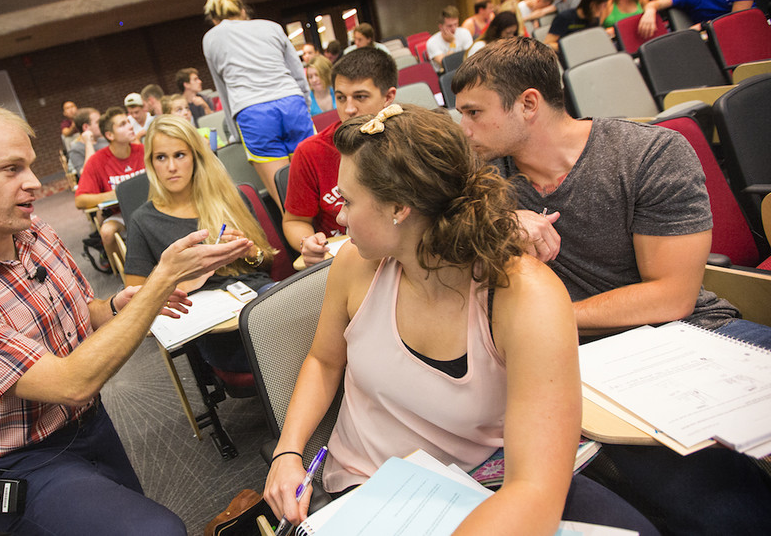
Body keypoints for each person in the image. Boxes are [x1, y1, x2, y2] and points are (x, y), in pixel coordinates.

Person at [264, 104, 658, 535]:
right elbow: (324, 361)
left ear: (400, 207)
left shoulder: (524, 296)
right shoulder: (355, 265)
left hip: (484, 481)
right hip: (368, 492)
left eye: (350, 201)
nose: (339, 217)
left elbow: (533, 488)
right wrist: (288, 451)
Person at [452, 36, 771, 534]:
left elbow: (671, 296)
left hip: (695, 334)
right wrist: (501, 222)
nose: (464, 129)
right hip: (590, 377)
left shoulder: (647, 154)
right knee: (728, 515)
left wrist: (546, 321)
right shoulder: (481, 186)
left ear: (529, 104)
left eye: (474, 112)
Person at [0, 101, 251, 534]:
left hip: (90, 425)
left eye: (30, 167)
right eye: (11, 170)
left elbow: (85, 312)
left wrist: (122, 305)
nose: (34, 184)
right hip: (20, 461)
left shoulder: (31, 230)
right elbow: (70, 384)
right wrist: (160, 281)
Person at [123, 115, 275, 372]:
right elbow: (134, 301)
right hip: (210, 321)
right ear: (151, 164)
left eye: (180, 155)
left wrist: (250, 252)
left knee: (304, 317)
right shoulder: (143, 221)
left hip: (256, 296)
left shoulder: (230, 197)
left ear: (195, 157)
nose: (171, 167)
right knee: (283, 343)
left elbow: (266, 262)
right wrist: (186, 279)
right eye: (161, 157)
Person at [283, 47, 396, 268]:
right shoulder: (311, 152)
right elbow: (295, 221)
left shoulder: (409, 140)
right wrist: (308, 242)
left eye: (361, 97)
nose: (349, 109)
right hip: (343, 260)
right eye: (341, 98)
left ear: (388, 97)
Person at [203, 0, 314, 209]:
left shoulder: (210, 39)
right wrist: (305, 107)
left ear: (214, 18)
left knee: (287, 201)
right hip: (292, 104)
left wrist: (235, 133)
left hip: (253, 112)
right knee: (316, 184)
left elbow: (223, 92)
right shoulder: (271, 27)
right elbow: (298, 73)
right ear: (243, 11)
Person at [75, 106, 146, 270]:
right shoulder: (97, 161)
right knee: (107, 233)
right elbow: (80, 200)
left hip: (149, 208)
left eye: (129, 122)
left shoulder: (143, 151)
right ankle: (124, 273)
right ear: (109, 135)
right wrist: (117, 194)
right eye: (122, 124)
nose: (130, 126)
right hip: (120, 214)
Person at [637, 0, 753, 37]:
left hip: (748, 31)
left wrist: (704, 26)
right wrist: (650, 10)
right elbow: (655, 4)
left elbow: (737, 21)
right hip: (713, 38)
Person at [545, 0, 612, 50]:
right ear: (592, 4)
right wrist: (571, 47)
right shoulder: (564, 17)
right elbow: (547, 44)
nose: (604, 9)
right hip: (567, 57)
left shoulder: (594, 20)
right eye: (604, 5)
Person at [426, 5, 474, 73]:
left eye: (456, 24)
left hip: (465, 69)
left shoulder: (464, 32)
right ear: (441, 27)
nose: (454, 28)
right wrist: (452, 43)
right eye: (449, 26)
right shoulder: (432, 42)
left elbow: (472, 56)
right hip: (445, 74)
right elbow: (447, 64)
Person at [66, 107, 109, 176]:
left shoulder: (105, 139)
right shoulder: (76, 149)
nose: (102, 125)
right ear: (86, 127)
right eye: (98, 122)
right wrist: (88, 142)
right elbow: (86, 175)